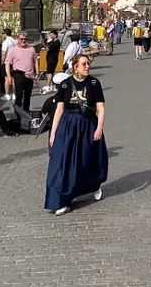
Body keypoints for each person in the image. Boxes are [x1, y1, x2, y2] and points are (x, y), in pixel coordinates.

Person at [45, 53, 107, 216]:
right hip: (68, 125)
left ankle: (93, 184)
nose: (88, 66)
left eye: (88, 64)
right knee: (62, 162)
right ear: (75, 67)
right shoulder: (66, 85)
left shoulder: (94, 83)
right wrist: (53, 133)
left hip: (87, 125)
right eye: (84, 64)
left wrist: (99, 128)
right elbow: (59, 109)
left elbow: (100, 108)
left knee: (86, 159)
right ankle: (61, 200)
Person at [6, 32, 39, 114]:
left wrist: (37, 74)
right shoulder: (13, 50)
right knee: (19, 96)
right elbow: (7, 64)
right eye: (21, 39)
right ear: (18, 39)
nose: (23, 41)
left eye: (25, 39)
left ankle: (26, 113)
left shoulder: (31, 49)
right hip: (19, 75)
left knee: (28, 97)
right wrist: (9, 77)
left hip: (30, 76)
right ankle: (18, 114)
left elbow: (35, 61)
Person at [0, 27, 17, 100]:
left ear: (5, 34)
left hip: (7, 62)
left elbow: (4, 53)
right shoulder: (15, 41)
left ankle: (7, 94)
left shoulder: (5, 42)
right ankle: (14, 94)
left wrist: (2, 61)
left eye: (3, 33)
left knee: (6, 79)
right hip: (14, 62)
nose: (2, 35)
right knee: (13, 79)